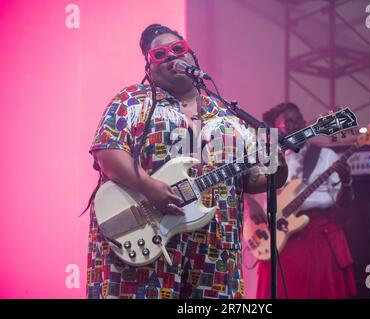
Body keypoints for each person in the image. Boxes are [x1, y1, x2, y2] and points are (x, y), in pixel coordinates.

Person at [85, 24, 288, 299]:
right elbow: (107, 152)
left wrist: (279, 163)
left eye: (177, 49)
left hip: (215, 255)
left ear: (192, 56)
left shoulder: (228, 115)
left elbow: (252, 179)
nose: (170, 56)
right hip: (143, 245)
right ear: (149, 67)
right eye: (160, 54)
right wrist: (148, 187)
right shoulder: (131, 100)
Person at [252, 102, 356, 299]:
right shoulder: (268, 159)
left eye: (298, 119)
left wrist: (347, 181)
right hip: (276, 239)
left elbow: (344, 202)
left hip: (315, 235)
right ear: (275, 130)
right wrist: (251, 204)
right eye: (288, 121)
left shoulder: (325, 156)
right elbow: (245, 187)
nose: (295, 124)